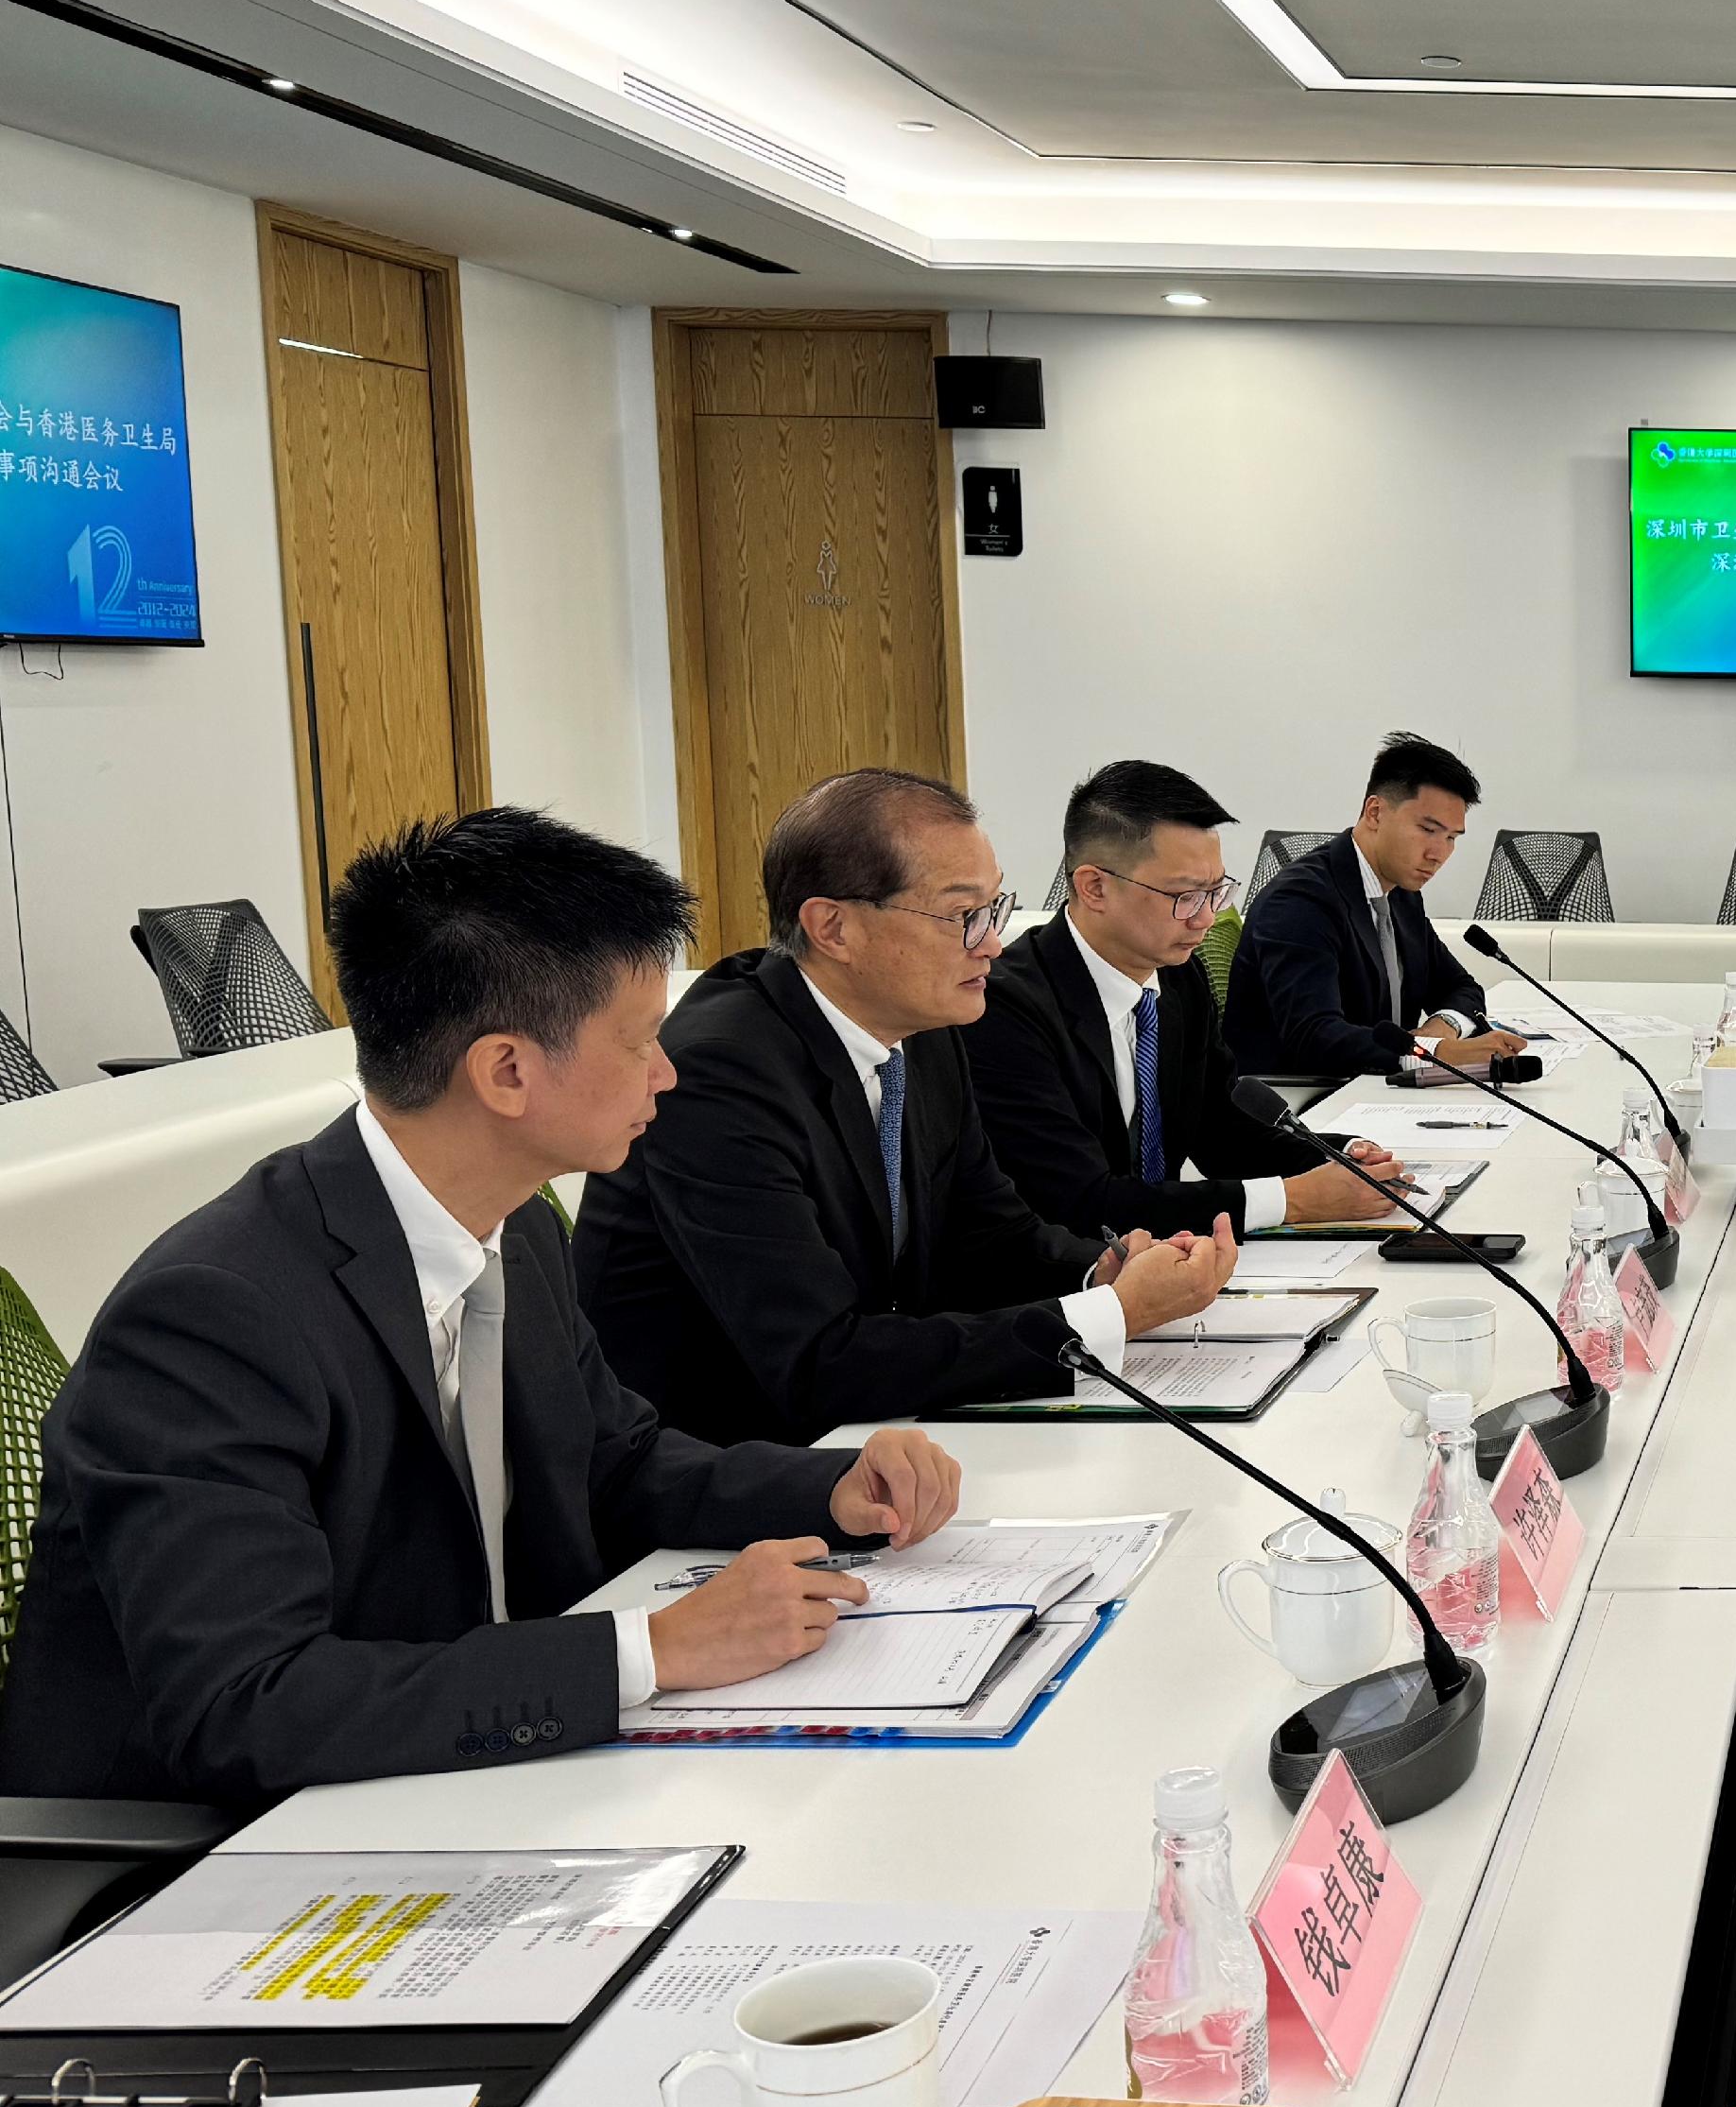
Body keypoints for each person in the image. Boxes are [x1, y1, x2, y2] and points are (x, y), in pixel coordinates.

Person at [0, 811, 965, 1804]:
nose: (667, 1074)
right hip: (215, 1864)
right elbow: (246, 1705)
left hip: (456, 1771)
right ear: (506, 1071)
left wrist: (832, 1488)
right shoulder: (214, 1315)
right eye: (640, 1043)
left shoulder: (519, 1227)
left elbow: (613, 1463)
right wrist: (651, 1652)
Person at [576, 769, 1237, 1448]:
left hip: (883, 1430)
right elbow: (818, 1359)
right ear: (832, 927)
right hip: (729, 1471)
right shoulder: (720, 1072)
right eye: (962, 916)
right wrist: (1105, 1317)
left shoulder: (922, 1030)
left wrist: (1103, 1269)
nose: (991, 942)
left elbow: (989, 1235)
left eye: (995, 908)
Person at [976, 759, 1411, 1238]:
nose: (1205, 919)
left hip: (1168, 1263)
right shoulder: (1005, 1008)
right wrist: (1294, 1200)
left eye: (1217, 891)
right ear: (1094, 887)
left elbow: (1223, 1132)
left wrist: (1334, 1158)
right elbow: (1077, 1201)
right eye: (1185, 895)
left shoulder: (1179, 980)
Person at [1224, 731, 1524, 1082]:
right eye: (1428, 830)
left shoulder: (1401, 892)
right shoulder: (1300, 900)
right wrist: (1434, 1054)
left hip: (1375, 1090)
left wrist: (1443, 1028)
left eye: (1451, 838)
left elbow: (1462, 988)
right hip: (1300, 1101)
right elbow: (1314, 1036)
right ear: (1376, 812)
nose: (1439, 854)